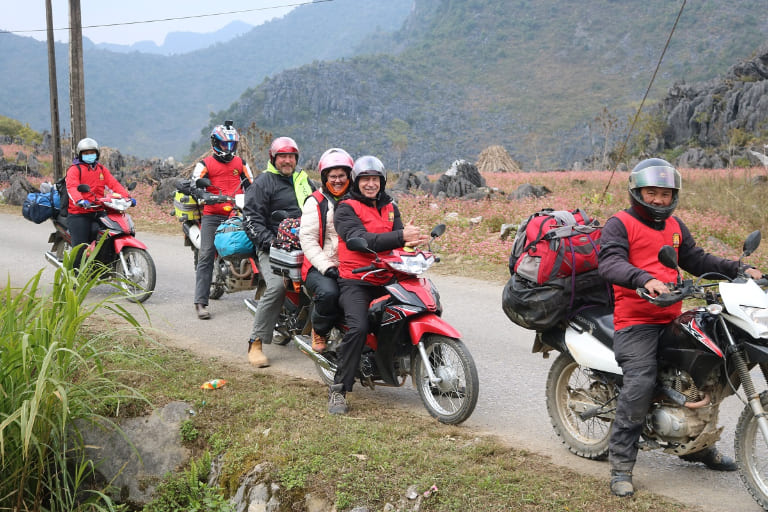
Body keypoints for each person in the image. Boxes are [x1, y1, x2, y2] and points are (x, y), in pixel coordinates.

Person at [598, 158, 764, 498]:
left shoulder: (674, 225)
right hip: (636, 322)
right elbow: (610, 262)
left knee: (712, 370)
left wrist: (737, 268)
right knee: (641, 380)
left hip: (672, 316)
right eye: (652, 192)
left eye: (665, 193)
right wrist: (644, 278)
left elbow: (696, 259)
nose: (659, 199)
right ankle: (621, 465)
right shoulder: (620, 224)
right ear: (637, 191)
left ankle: (697, 445)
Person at [329, 155, 430, 415]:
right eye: (365, 180)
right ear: (356, 182)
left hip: (387, 275)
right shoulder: (345, 208)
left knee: (416, 307)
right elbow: (358, 238)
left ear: (382, 182)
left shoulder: (390, 206)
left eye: (375, 179)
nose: (370, 184)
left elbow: (396, 241)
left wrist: (411, 243)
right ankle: (339, 389)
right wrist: (399, 236)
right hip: (357, 280)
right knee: (359, 326)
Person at [242, 136, 314, 367]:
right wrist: (271, 243)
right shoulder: (264, 183)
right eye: (282, 156)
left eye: (291, 156)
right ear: (274, 158)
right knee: (276, 286)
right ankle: (256, 342)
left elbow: (320, 207)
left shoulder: (304, 181)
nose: (287, 160)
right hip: (272, 247)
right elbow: (251, 220)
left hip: (306, 243)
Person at [191, 121, 253, 320]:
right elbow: (194, 185)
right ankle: (200, 302)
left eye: (231, 145)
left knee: (260, 244)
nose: (228, 149)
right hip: (213, 214)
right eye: (224, 144)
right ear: (215, 143)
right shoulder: (205, 164)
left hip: (238, 212)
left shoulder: (241, 164)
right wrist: (204, 194)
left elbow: (252, 184)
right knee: (207, 253)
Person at [299, 148, 354, 352]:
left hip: (353, 264)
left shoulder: (357, 199)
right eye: (333, 176)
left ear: (350, 176)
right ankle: (319, 330)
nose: (338, 180)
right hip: (321, 265)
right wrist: (327, 266)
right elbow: (308, 239)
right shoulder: (316, 202)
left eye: (342, 175)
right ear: (324, 177)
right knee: (330, 293)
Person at [65, 137, 133, 266]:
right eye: (85, 153)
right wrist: (80, 200)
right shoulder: (75, 169)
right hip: (79, 212)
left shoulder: (101, 169)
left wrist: (127, 197)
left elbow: (114, 184)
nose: (89, 155)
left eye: (92, 152)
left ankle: (105, 262)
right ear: (80, 155)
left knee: (109, 234)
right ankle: (75, 277)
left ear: (97, 154)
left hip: (98, 210)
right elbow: (72, 187)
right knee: (80, 247)